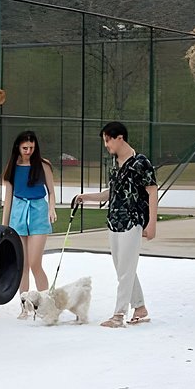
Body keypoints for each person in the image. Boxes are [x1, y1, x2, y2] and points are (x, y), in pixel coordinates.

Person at [75, 121, 158, 328]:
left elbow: (152, 191)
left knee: (126, 270)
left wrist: (152, 224)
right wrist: (86, 197)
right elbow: (111, 193)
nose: (106, 145)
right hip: (114, 222)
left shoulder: (141, 162)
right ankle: (140, 308)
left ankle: (119, 315)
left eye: (107, 140)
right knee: (123, 269)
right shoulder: (115, 164)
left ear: (119, 138)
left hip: (133, 222)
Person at [1, 131, 57, 318]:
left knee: (35, 263)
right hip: (18, 212)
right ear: (18, 147)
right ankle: (24, 307)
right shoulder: (12, 167)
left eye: (31, 148)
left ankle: (46, 304)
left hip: (38, 212)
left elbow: (51, 191)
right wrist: (4, 225)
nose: (28, 151)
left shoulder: (43, 165)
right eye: (25, 148)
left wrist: (51, 209)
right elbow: (8, 198)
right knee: (22, 265)